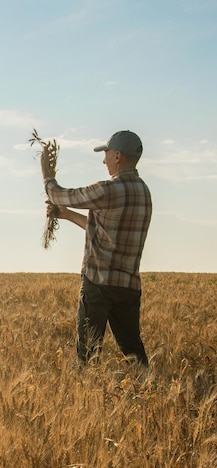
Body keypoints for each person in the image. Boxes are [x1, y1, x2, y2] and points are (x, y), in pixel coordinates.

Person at [40, 130, 152, 367]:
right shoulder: (144, 193)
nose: (104, 160)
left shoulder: (109, 190)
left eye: (107, 154)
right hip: (128, 286)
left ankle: (87, 395)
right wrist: (67, 216)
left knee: (88, 356)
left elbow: (59, 194)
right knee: (133, 352)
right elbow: (104, 232)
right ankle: (150, 391)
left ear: (118, 156)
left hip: (99, 284)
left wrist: (45, 171)